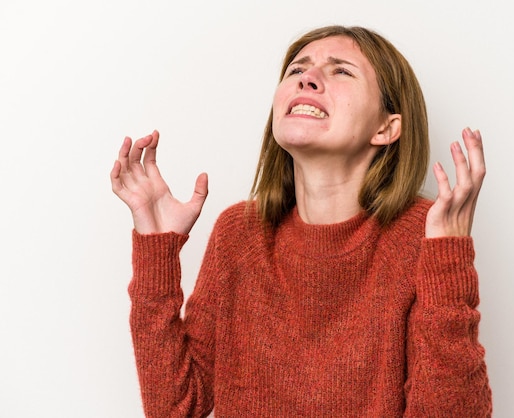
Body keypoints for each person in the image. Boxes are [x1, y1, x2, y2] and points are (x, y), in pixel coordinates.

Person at [110, 25, 492, 417]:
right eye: (296, 70)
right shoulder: (239, 234)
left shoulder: (421, 236)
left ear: (386, 128)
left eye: (341, 70)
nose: (307, 78)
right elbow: (177, 408)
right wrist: (157, 249)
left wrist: (448, 257)